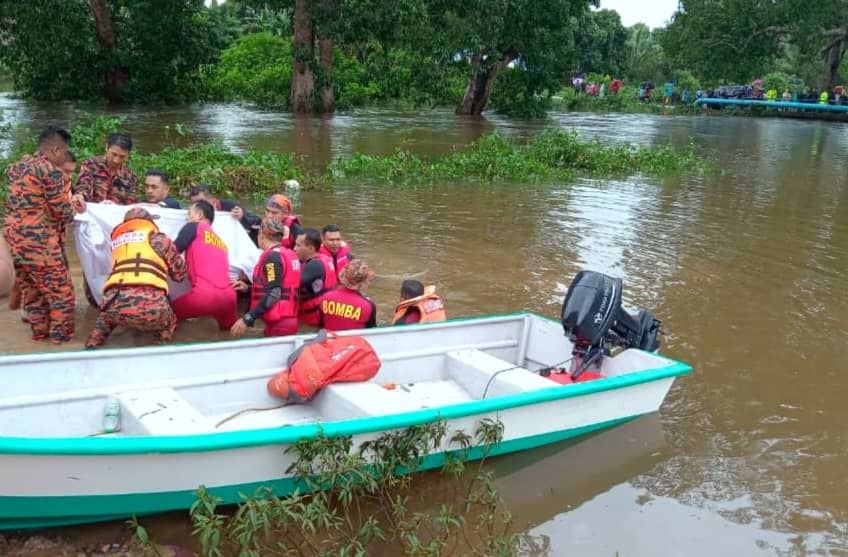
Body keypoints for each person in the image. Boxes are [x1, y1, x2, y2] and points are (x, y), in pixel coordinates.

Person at [4, 126, 84, 344]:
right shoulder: (52, 172)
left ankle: (39, 336)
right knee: (62, 296)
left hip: (14, 244)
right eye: (65, 150)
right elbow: (63, 214)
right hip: (39, 245)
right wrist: (74, 205)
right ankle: (60, 341)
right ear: (56, 150)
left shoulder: (14, 168)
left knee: (33, 294)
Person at [85, 208, 187, 349]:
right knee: (171, 321)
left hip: (113, 303)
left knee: (105, 319)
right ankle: (161, 349)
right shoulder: (160, 239)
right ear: (148, 222)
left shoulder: (116, 243)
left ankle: (91, 347)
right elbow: (180, 275)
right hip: (153, 308)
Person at [171, 200, 238, 330]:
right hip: (229, 298)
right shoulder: (222, 243)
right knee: (229, 333)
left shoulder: (194, 226)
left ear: (199, 215)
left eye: (189, 213)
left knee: (163, 315)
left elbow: (173, 250)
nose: (186, 218)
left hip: (204, 297)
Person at [230, 218, 301, 338]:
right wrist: (248, 288)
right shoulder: (288, 254)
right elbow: (281, 286)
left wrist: (247, 318)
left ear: (261, 235)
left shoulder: (272, 258)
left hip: (279, 324)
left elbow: (274, 293)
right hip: (287, 320)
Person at [75, 132, 139, 204]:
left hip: (116, 212)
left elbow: (132, 201)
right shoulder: (90, 165)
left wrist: (114, 206)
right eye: (114, 154)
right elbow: (83, 186)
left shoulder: (131, 176)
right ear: (106, 148)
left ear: (128, 154)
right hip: (93, 210)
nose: (116, 160)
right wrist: (80, 196)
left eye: (122, 157)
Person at [189, 184, 261, 244]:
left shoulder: (230, 206)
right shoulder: (192, 213)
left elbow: (257, 222)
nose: (197, 206)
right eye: (194, 203)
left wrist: (242, 217)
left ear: (213, 200)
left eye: (201, 202)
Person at [294, 228, 337, 327]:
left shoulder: (314, 266)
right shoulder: (324, 259)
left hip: (313, 322)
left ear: (311, 248)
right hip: (324, 315)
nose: (294, 248)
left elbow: (292, 285)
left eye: (298, 245)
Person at [317, 260, 377, 331]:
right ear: (364, 281)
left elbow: (321, 325)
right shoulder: (368, 306)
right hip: (352, 341)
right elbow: (371, 332)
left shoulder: (325, 297)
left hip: (329, 340)